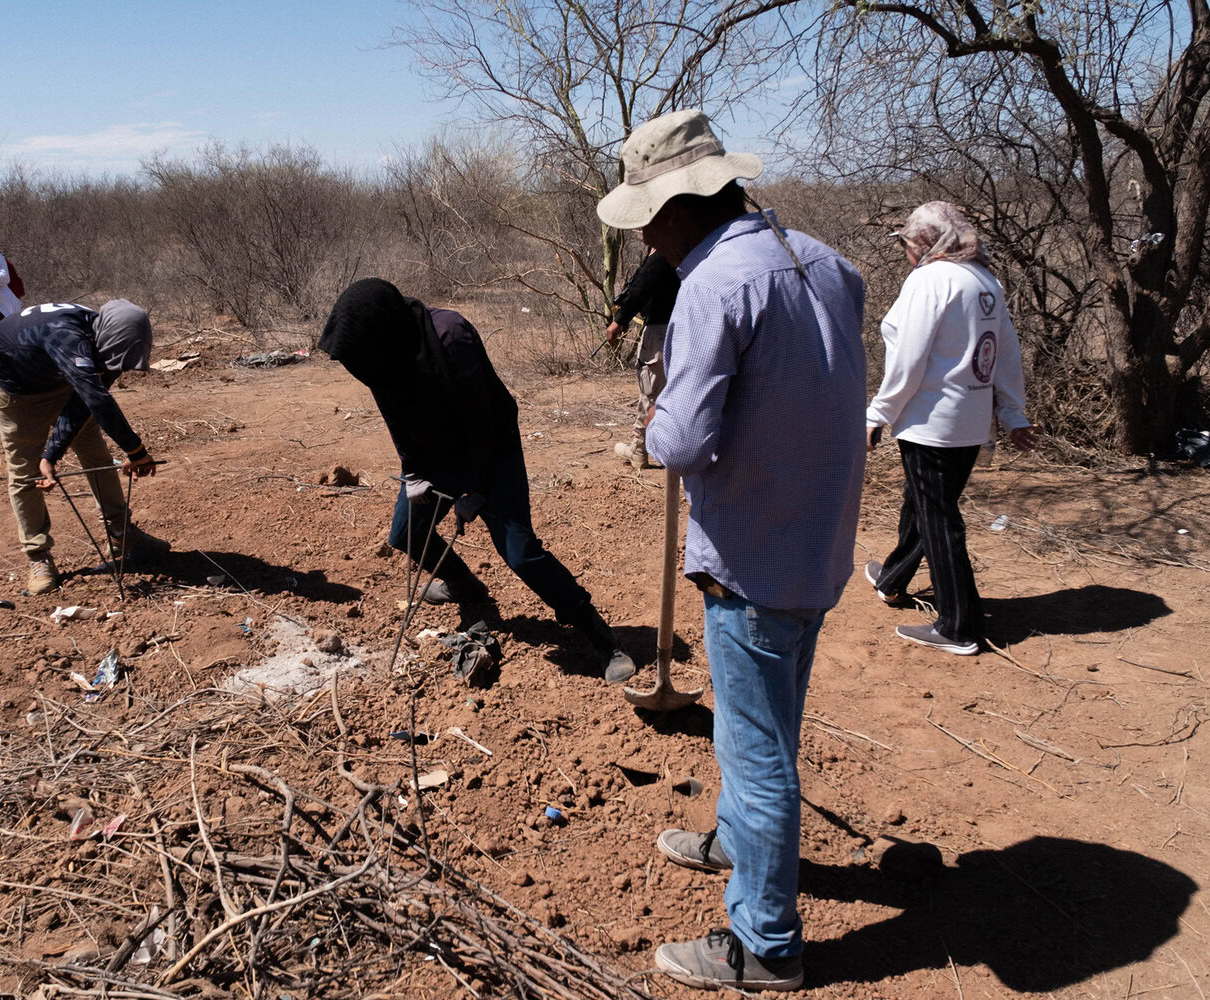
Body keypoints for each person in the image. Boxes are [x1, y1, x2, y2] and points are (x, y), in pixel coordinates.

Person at [598, 109, 867, 992]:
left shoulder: (714, 285)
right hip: (814, 542)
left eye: (646, 216)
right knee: (768, 726)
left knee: (757, 752)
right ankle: (734, 841)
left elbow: (681, 439)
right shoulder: (830, 263)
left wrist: (655, 418)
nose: (644, 233)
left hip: (752, 552)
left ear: (679, 206)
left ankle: (763, 946)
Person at [319, 278, 637, 684]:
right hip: (436, 457)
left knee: (519, 553)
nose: (357, 368)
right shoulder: (381, 357)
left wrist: (476, 488)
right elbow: (395, 414)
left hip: (492, 451)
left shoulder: (450, 336)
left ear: (385, 326)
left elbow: (482, 418)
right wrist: (413, 470)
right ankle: (465, 585)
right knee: (406, 533)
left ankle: (601, 637)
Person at [864, 201, 1038, 655]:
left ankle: (959, 625)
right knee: (925, 502)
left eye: (907, 242)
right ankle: (894, 578)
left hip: (931, 420)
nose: (905, 251)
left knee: (938, 517)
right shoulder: (985, 280)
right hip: (971, 420)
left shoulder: (930, 280)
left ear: (926, 241)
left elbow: (909, 357)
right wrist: (1013, 413)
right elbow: (1006, 353)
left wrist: (878, 413)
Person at [0, 300, 168, 595]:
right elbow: (97, 400)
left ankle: (121, 534)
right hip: (17, 387)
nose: (115, 367)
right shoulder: (67, 337)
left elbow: (86, 402)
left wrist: (52, 454)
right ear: (105, 340)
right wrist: (136, 451)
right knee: (25, 468)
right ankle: (38, 556)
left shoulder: (102, 339)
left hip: (62, 376)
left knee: (95, 451)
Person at [605, 248, 680, 470]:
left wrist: (619, 320)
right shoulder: (690, 250)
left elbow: (641, 288)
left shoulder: (662, 255)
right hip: (685, 329)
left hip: (659, 331)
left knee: (651, 392)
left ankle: (639, 448)